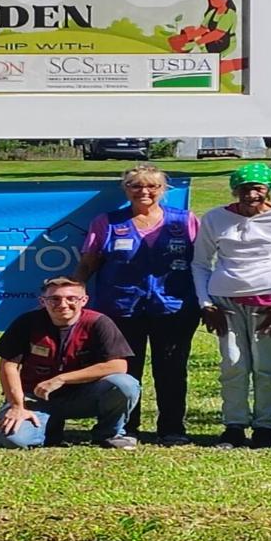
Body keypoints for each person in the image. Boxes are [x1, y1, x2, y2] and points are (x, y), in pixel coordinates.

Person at [72, 163, 199, 445]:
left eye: (152, 186)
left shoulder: (185, 221)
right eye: (136, 185)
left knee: (172, 369)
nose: (144, 191)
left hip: (174, 307)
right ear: (125, 189)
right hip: (120, 308)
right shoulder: (107, 222)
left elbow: (202, 263)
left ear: (163, 190)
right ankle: (126, 427)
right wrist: (75, 291)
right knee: (125, 370)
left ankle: (172, 429)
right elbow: (89, 262)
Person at [192, 162, 271, 448]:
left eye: (258, 188)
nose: (251, 195)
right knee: (233, 365)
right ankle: (233, 426)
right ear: (235, 191)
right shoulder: (215, 218)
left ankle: (265, 428)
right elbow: (200, 264)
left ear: (268, 189)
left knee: (266, 368)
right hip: (225, 305)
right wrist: (206, 304)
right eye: (244, 189)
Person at [0, 278, 140, 450]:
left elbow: (118, 366)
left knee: (125, 384)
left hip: (82, 397)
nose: (63, 304)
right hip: (34, 398)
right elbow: (8, 365)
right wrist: (17, 406)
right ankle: (49, 427)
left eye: (71, 298)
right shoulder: (27, 322)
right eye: (55, 299)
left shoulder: (99, 323)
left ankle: (109, 434)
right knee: (14, 441)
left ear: (84, 300)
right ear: (43, 301)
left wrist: (62, 379)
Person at [169, 0, 238, 55]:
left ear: (225, 0)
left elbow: (218, 33)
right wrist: (185, 37)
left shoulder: (229, 14)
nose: (212, 2)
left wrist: (195, 43)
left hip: (226, 44)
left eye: (215, 0)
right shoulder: (212, 12)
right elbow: (202, 29)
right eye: (211, 0)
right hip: (211, 42)